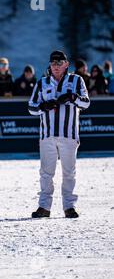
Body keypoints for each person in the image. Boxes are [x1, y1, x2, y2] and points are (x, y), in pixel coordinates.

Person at [28, 50, 90, 219]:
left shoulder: (76, 80)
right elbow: (31, 107)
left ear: (66, 64)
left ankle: (69, 206)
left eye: (59, 63)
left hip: (69, 134)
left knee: (69, 172)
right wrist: (43, 107)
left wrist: (72, 97)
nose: (55, 66)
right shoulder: (42, 83)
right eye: (53, 63)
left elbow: (86, 103)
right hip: (47, 134)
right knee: (46, 173)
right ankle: (44, 207)